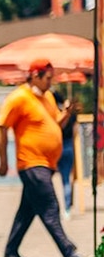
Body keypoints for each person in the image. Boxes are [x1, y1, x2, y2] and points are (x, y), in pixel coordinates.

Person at [0, 59, 91, 257]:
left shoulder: (47, 97)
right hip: (31, 162)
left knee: (27, 212)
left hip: (47, 163)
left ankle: (10, 253)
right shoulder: (19, 98)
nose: (51, 82)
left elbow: (54, 123)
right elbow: (2, 128)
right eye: (48, 78)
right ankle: (70, 253)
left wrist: (66, 113)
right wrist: (3, 161)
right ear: (35, 76)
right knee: (50, 206)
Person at [52, 90, 77, 220]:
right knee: (66, 180)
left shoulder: (52, 113)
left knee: (48, 180)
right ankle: (66, 208)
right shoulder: (71, 115)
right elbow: (75, 132)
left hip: (56, 146)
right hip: (68, 146)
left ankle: (53, 208)